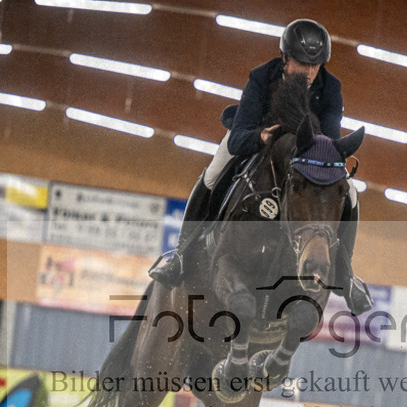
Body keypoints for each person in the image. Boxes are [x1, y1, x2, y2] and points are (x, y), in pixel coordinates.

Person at [149, 18, 373, 315]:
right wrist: (261, 136)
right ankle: (181, 252)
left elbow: (329, 138)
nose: (308, 71)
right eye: (301, 62)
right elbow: (240, 133)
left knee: (352, 194)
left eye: (314, 64)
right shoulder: (261, 77)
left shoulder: (331, 88)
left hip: (306, 155)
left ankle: (345, 273)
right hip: (255, 139)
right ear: (285, 57)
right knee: (214, 172)